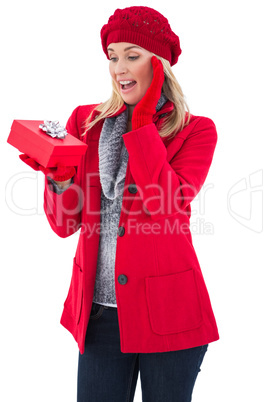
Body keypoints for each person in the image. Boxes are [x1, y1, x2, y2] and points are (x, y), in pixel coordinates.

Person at [20, 6, 220, 402]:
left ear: (159, 64)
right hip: (99, 315)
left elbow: (166, 204)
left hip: (169, 314)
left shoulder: (196, 130)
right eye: (113, 56)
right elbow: (64, 225)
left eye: (133, 55)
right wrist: (57, 178)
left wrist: (143, 122)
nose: (119, 68)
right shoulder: (85, 122)